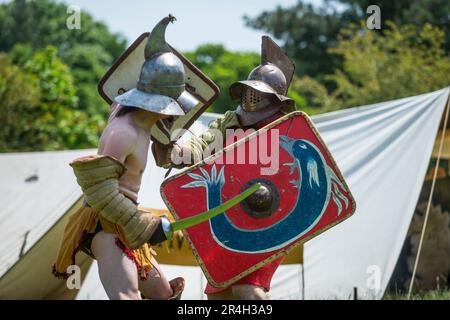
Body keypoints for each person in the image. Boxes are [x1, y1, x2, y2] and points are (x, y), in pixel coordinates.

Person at [53, 15, 195, 300]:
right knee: (126, 296)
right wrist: (143, 224)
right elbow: (100, 191)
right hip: (105, 224)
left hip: (125, 224)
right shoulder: (122, 131)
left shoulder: (143, 122)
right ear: (162, 102)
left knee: (161, 293)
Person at [153, 36, 296, 300]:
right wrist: (172, 150)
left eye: (260, 93)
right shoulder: (228, 124)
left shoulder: (288, 131)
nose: (252, 98)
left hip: (270, 220)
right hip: (229, 221)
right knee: (218, 296)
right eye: (250, 91)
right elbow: (200, 148)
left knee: (248, 290)